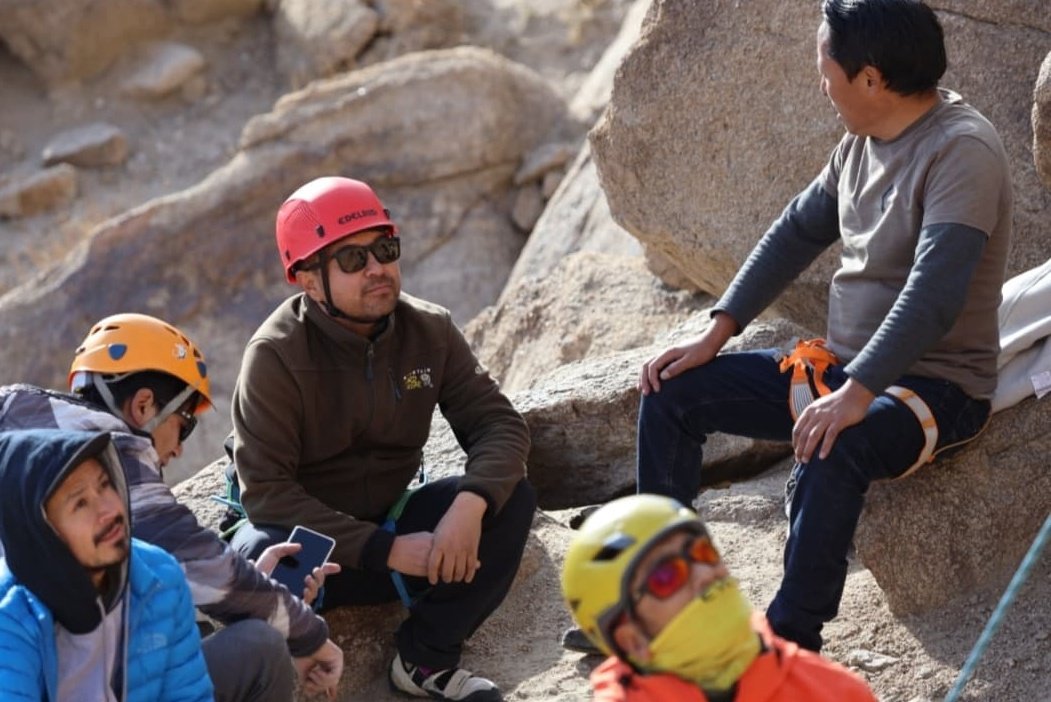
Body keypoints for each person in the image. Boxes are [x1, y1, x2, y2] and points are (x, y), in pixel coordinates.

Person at [634, 0, 1012, 653]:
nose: (820, 82)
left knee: (831, 444)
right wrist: (715, 330)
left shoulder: (962, 150)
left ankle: (788, 641)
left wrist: (856, 392)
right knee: (670, 391)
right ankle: (664, 603)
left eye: (825, 68)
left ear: (869, 79)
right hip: (841, 368)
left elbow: (935, 294)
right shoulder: (858, 144)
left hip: (933, 387)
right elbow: (793, 233)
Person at [229, 175, 537, 701]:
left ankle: (424, 660)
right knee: (266, 558)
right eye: (351, 259)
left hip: (394, 524)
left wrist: (468, 505)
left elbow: (498, 424)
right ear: (307, 279)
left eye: (384, 248)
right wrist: (386, 550)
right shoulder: (275, 356)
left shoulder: (429, 330)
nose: (377, 268)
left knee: (510, 498)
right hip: (314, 547)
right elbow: (267, 493)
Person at [0, 313, 344, 701]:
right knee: (259, 647)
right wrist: (309, 636)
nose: (178, 448)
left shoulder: (13, 417)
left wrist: (237, 586)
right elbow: (196, 562)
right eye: (184, 423)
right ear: (144, 406)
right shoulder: (114, 455)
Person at [561, 494, 878, 701]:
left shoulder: (836, 692)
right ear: (631, 640)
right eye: (666, 577)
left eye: (703, 552)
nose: (705, 574)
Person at [0, 428, 214, 702]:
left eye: (104, 485)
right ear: (41, 532)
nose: (109, 511)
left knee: (257, 645)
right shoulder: (11, 618)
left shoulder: (159, 578)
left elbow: (190, 696)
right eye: (81, 503)